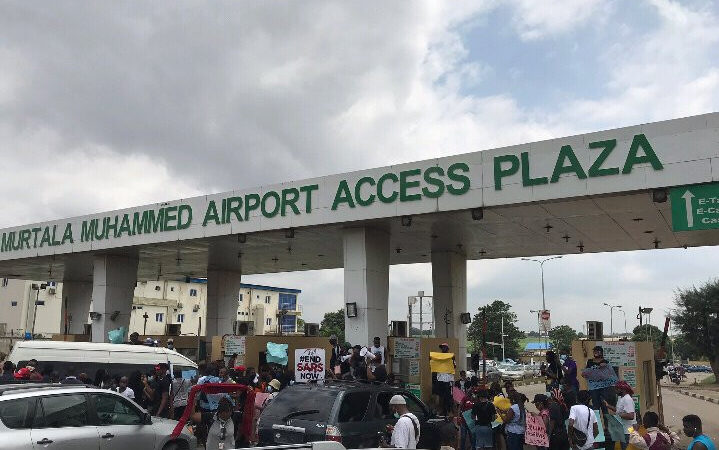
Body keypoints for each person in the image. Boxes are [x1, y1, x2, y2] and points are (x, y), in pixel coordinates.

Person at [581, 346, 614, 414]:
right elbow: (585, 373)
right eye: (594, 351)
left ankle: (606, 424)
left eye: (597, 351)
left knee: (604, 407)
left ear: (601, 352)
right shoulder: (590, 362)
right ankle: (596, 424)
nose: (595, 352)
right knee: (596, 408)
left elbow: (609, 375)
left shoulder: (606, 362)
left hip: (603, 388)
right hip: (593, 388)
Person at [604, 381, 636, 449]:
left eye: (617, 389)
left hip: (627, 431)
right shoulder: (621, 398)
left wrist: (618, 415)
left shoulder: (627, 399)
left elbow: (631, 416)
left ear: (623, 389)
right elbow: (619, 411)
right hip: (622, 430)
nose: (615, 391)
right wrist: (608, 406)